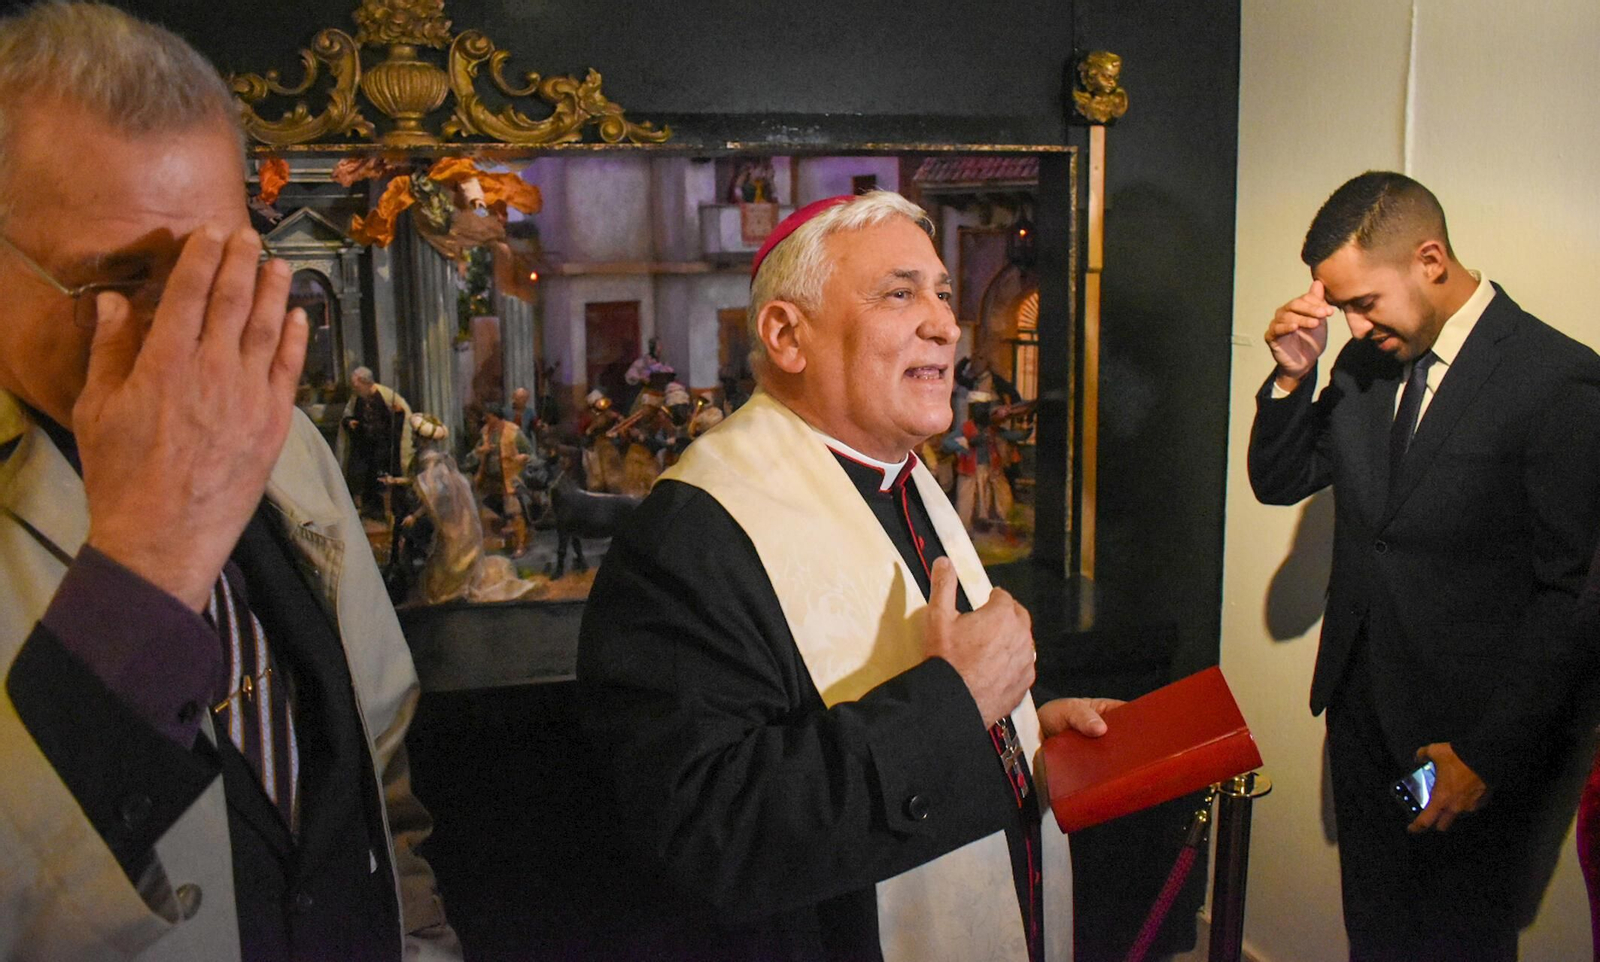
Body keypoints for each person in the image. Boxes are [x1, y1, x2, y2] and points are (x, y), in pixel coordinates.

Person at [0, 5, 459, 959]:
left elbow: (375, 778)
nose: (186, 326)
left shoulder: (280, 438)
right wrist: (149, 562)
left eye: (217, 268)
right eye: (118, 279)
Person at [578, 191, 1117, 962]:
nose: (945, 323)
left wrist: (1018, 730)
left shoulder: (904, 478)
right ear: (786, 335)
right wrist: (958, 705)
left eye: (942, 293)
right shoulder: (687, 538)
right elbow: (711, 839)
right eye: (899, 294)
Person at [1248, 170, 1600, 961]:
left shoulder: (1556, 378)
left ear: (1430, 260)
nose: (1353, 324)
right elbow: (1281, 479)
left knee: (1456, 938)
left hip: (1463, 738)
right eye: (1342, 307)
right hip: (1361, 718)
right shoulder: (1365, 362)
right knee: (1376, 929)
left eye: (1363, 301)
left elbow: (1572, 595)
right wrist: (1292, 376)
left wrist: (1485, 755)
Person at [337, 365, 413, 519]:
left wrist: (398, 414)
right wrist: (349, 422)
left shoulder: (385, 396)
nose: (355, 389)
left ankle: (384, 511)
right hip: (364, 447)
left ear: (365, 383)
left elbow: (399, 421)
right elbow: (347, 417)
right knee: (360, 477)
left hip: (383, 448)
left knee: (382, 479)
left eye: (357, 386)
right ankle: (365, 508)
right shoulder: (357, 398)